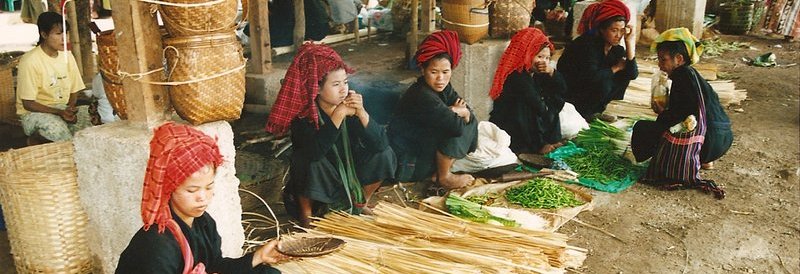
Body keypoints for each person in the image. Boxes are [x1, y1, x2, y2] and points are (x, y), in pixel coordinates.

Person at [116, 123, 288, 274]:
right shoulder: (157, 245)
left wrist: (257, 257)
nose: (203, 198)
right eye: (192, 190)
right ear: (169, 188)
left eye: (209, 187)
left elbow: (215, 266)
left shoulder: (204, 223)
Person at [265, 43, 396, 228]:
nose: (343, 89)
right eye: (336, 84)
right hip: (319, 187)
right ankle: (306, 216)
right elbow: (315, 153)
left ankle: (360, 203)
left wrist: (362, 113)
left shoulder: (350, 106)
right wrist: (339, 114)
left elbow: (381, 144)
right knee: (307, 160)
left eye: (345, 82)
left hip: (349, 179)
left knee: (385, 154)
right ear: (316, 88)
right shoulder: (303, 117)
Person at [630, 28, 727, 199]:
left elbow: (677, 118)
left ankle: (696, 156)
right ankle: (705, 158)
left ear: (679, 59)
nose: (660, 64)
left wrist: (662, 112)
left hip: (708, 141)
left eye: (663, 60)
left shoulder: (682, 76)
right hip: (722, 139)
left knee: (642, 128)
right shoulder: (694, 75)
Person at [388, 30, 478, 189]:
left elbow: (467, 111)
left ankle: (441, 171)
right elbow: (456, 128)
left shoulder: (443, 87)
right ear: (423, 70)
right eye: (434, 72)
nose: (440, 79)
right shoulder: (422, 95)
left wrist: (460, 111)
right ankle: (444, 177)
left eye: (446, 72)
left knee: (470, 120)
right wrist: (457, 113)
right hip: (410, 162)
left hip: (426, 152)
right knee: (456, 127)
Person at [15, 11, 92, 143]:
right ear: (44, 34)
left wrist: (70, 109)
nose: (64, 38)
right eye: (58, 34)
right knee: (58, 131)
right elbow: (28, 104)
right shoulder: (30, 61)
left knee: (94, 117)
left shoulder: (68, 56)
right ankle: (36, 140)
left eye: (66, 33)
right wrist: (59, 113)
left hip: (61, 108)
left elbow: (74, 91)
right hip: (34, 113)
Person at [489, 27, 566, 155]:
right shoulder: (518, 76)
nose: (544, 61)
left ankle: (549, 141)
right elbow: (537, 106)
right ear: (527, 54)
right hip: (514, 126)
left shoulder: (536, 72)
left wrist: (551, 72)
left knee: (555, 99)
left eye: (547, 58)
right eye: (540, 56)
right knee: (531, 109)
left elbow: (562, 89)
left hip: (532, 116)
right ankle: (537, 147)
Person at [557, 0, 638, 121]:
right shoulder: (586, 45)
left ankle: (595, 110)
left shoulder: (615, 49)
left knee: (622, 75)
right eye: (614, 30)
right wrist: (615, 68)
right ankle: (583, 112)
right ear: (602, 29)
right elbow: (590, 77)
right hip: (570, 92)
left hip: (589, 89)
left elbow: (632, 74)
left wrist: (629, 42)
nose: (619, 35)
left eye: (622, 30)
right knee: (605, 82)